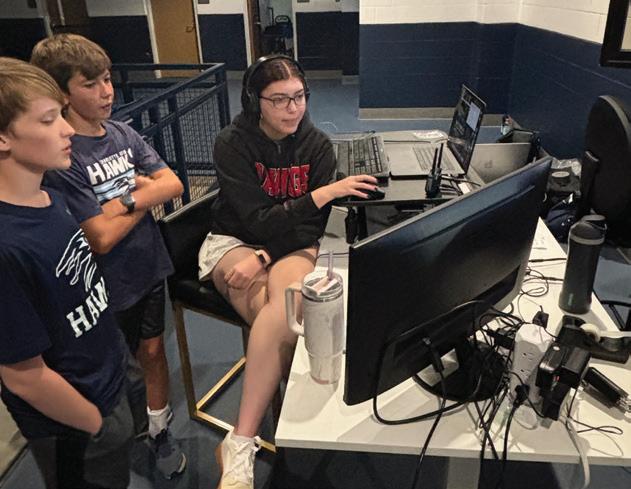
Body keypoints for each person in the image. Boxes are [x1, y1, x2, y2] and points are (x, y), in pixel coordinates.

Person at [198, 54, 378, 489]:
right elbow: (257, 221)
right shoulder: (232, 144)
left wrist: (265, 257)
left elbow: (309, 228)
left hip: (289, 245)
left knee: (283, 310)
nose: (292, 108)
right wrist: (321, 195)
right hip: (234, 242)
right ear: (254, 101)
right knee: (289, 317)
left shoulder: (316, 145)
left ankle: (239, 441)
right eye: (278, 99)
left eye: (299, 96)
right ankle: (269, 428)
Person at [31, 34, 187, 479]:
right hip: (101, 286)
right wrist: (141, 194)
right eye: (90, 84)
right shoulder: (63, 158)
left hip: (148, 265)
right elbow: (99, 238)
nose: (106, 92)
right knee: (118, 367)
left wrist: (125, 203)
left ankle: (158, 428)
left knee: (153, 351)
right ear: (62, 93)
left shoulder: (122, 133)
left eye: (107, 79)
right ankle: (123, 434)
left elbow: (173, 184)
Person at [0, 57, 134, 489]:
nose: (68, 130)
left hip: (106, 377)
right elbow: (23, 376)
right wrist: (95, 423)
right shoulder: (6, 245)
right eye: (48, 120)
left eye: (61, 114)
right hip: (73, 423)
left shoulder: (50, 198)